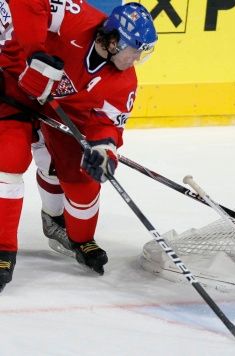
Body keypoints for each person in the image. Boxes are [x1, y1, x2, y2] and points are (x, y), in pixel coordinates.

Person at [0, 1, 157, 292]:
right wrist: (35, 52)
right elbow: (27, 3)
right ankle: (2, 250)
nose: (136, 57)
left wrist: (104, 150)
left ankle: (79, 238)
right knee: (9, 159)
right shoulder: (77, 18)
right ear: (113, 40)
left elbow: (108, 124)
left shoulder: (124, 81)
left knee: (84, 182)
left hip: (61, 111)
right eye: (133, 48)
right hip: (13, 86)